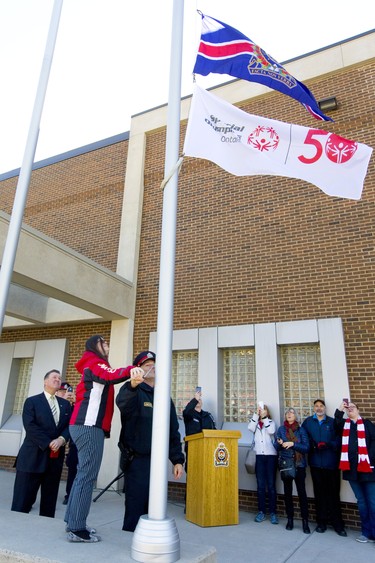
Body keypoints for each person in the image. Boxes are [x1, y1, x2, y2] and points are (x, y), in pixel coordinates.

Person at [65, 335, 142, 543]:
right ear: (95, 346)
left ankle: (73, 521)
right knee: (87, 476)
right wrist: (132, 370)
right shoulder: (94, 362)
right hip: (88, 427)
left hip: (83, 426)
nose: (107, 345)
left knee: (82, 475)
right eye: (104, 343)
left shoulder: (92, 363)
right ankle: (76, 528)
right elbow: (111, 375)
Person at [116, 350, 184, 532]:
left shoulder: (163, 397)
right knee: (135, 505)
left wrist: (177, 459)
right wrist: (131, 385)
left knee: (154, 508)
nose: (152, 367)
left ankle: (150, 543)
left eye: (154, 365)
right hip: (138, 460)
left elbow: (172, 430)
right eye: (147, 365)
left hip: (159, 462)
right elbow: (123, 404)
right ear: (138, 369)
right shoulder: (133, 390)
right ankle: (130, 540)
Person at [11, 369, 71, 518]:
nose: (58, 379)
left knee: (49, 501)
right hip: (32, 457)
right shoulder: (32, 401)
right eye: (54, 377)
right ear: (45, 381)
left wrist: (61, 440)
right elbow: (30, 426)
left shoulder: (65, 404)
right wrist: (49, 442)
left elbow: (69, 426)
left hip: (54, 459)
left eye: (59, 378)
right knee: (22, 499)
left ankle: (46, 523)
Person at [302, 399, 346, 536]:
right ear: (313, 408)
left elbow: (340, 438)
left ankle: (338, 524)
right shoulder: (308, 422)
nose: (319, 408)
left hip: (331, 464)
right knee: (319, 494)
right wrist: (312, 445)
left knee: (333, 494)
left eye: (321, 406)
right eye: (316, 406)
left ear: (325, 408)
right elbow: (304, 437)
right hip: (316, 464)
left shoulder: (332, 422)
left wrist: (329, 445)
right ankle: (321, 523)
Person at [335, 400, 375, 543]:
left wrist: (368, 458)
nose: (350, 409)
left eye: (353, 407)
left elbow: (374, 441)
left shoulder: (367, 424)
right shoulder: (344, 425)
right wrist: (340, 409)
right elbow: (336, 423)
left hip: (368, 469)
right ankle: (366, 532)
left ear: (358, 410)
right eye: (348, 408)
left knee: (372, 502)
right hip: (351, 469)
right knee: (362, 502)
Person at [275, 407, 310, 533]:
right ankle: (290, 520)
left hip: (299, 465)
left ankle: (305, 522)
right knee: (287, 494)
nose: (289, 414)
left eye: (291, 413)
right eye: (287, 413)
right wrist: (279, 443)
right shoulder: (281, 429)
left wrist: (293, 444)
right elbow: (276, 447)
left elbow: (306, 447)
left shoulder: (301, 430)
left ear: (296, 416)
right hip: (286, 465)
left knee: (302, 494)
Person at [248, 403, 278, 525]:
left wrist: (264, 418)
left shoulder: (271, 422)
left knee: (271, 485)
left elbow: (271, 431)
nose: (261, 411)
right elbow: (250, 428)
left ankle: (273, 513)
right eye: (260, 410)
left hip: (271, 456)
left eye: (263, 409)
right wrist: (256, 414)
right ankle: (261, 511)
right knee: (260, 486)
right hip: (259, 456)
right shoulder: (255, 423)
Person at [183, 388, 216, 471]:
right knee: (193, 472)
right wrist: (195, 399)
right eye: (197, 400)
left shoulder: (208, 416)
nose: (198, 401)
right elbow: (186, 411)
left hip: (207, 449)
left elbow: (214, 430)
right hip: (193, 449)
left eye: (199, 400)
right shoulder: (189, 415)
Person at [55, 381, 77, 505]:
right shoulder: (52, 404)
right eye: (62, 392)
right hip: (50, 442)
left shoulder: (74, 406)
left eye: (67, 392)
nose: (65, 394)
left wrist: (75, 403)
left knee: (73, 469)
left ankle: (70, 495)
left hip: (71, 443)